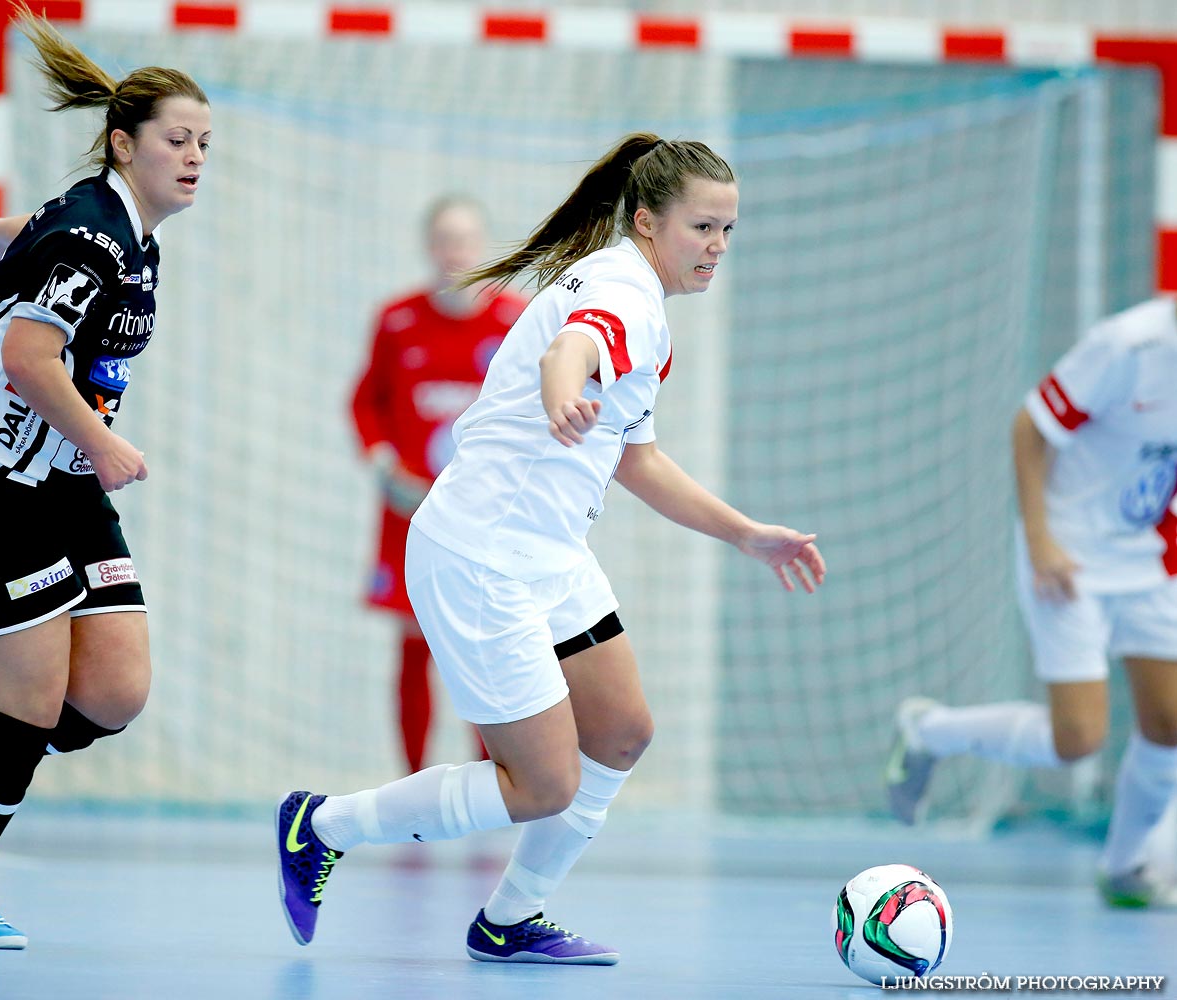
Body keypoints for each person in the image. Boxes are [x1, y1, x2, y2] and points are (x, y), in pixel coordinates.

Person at [275, 132, 826, 964]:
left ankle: (508, 919)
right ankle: (319, 826)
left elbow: (636, 458)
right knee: (542, 785)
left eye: (726, 231)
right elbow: (577, 345)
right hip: (480, 555)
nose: (716, 248)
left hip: (549, 554)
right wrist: (564, 392)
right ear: (646, 221)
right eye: (700, 229)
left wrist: (744, 533)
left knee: (622, 733)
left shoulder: (640, 299)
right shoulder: (622, 292)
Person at [0, 8, 210, 948]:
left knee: (111, 695)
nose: (195, 156)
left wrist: (10, 228)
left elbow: (64, 230)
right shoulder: (93, 235)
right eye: (176, 139)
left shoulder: (119, 226)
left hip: (61, 483)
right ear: (125, 143)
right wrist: (109, 447)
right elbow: (34, 360)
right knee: (29, 704)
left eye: (205, 142)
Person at [886, 297, 1177, 908]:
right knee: (1078, 739)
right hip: (1068, 554)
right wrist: (1041, 540)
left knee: (1170, 722)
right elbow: (1030, 427)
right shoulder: (1128, 346)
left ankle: (1124, 868)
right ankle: (930, 730)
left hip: (1146, 555)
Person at [349, 196, 523, 773]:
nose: (456, 253)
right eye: (446, 240)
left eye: (466, 241)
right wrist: (381, 462)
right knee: (415, 638)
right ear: (430, 246)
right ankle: (414, 782)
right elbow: (365, 401)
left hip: (484, 516)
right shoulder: (397, 320)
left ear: (483, 248)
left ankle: (490, 780)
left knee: (482, 643)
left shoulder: (515, 322)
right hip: (412, 511)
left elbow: (536, 411)